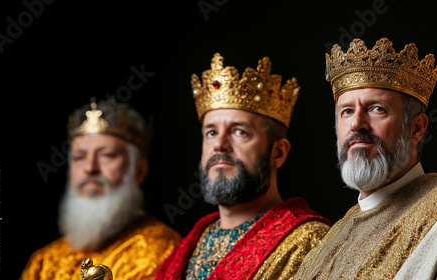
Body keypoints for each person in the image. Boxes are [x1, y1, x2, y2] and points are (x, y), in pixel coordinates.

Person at [294, 38, 437, 279]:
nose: (356, 124)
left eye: (377, 109)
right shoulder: (334, 234)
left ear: (416, 128)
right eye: (347, 111)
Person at [155, 53, 332, 280]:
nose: (219, 144)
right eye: (211, 133)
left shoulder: (309, 243)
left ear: (278, 152)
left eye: (240, 132)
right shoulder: (188, 246)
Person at [20, 98, 182, 280]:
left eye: (107, 155)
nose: (90, 167)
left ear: (138, 171)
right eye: (79, 157)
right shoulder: (43, 262)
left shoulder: (161, 252)